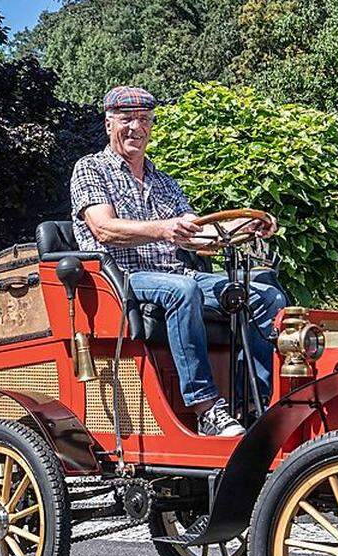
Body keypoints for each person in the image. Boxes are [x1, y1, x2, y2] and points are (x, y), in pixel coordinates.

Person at [69, 86, 286, 437]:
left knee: (263, 294)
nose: (135, 128)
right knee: (182, 290)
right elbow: (104, 229)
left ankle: (255, 406)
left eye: (143, 120)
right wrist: (163, 230)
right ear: (109, 124)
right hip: (121, 278)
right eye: (126, 120)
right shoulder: (90, 169)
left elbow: (198, 234)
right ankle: (207, 408)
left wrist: (245, 225)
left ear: (151, 127)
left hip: (175, 272)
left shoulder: (164, 182)